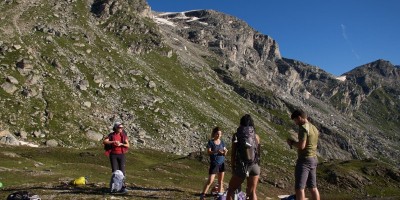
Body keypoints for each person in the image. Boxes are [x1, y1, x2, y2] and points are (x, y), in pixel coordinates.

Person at [287, 109, 320, 200]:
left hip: (304, 160)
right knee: (313, 187)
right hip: (313, 158)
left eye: (295, 120)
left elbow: (302, 146)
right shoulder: (313, 127)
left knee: (299, 188)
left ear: (299, 118)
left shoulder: (303, 128)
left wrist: (292, 143)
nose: (295, 122)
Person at [226, 114, 260, 200]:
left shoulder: (237, 135)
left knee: (231, 189)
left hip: (242, 167)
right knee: (252, 192)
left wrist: (233, 166)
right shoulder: (256, 136)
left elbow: (233, 153)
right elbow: (258, 153)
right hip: (255, 166)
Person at [200, 127, 228, 200]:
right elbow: (208, 152)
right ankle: (203, 194)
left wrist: (225, 152)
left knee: (220, 181)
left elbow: (225, 151)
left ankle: (219, 196)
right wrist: (216, 151)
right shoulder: (211, 142)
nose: (219, 135)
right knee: (210, 180)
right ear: (214, 134)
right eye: (217, 134)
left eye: (220, 134)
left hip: (221, 162)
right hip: (214, 163)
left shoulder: (222, 142)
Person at [103, 122, 130, 192]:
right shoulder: (111, 135)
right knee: (114, 171)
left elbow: (128, 145)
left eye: (122, 127)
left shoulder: (123, 135)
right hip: (113, 155)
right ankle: (115, 186)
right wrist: (113, 142)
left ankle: (123, 186)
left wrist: (121, 144)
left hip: (121, 154)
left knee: (122, 171)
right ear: (116, 128)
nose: (121, 129)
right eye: (119, 127)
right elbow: (105, 141)